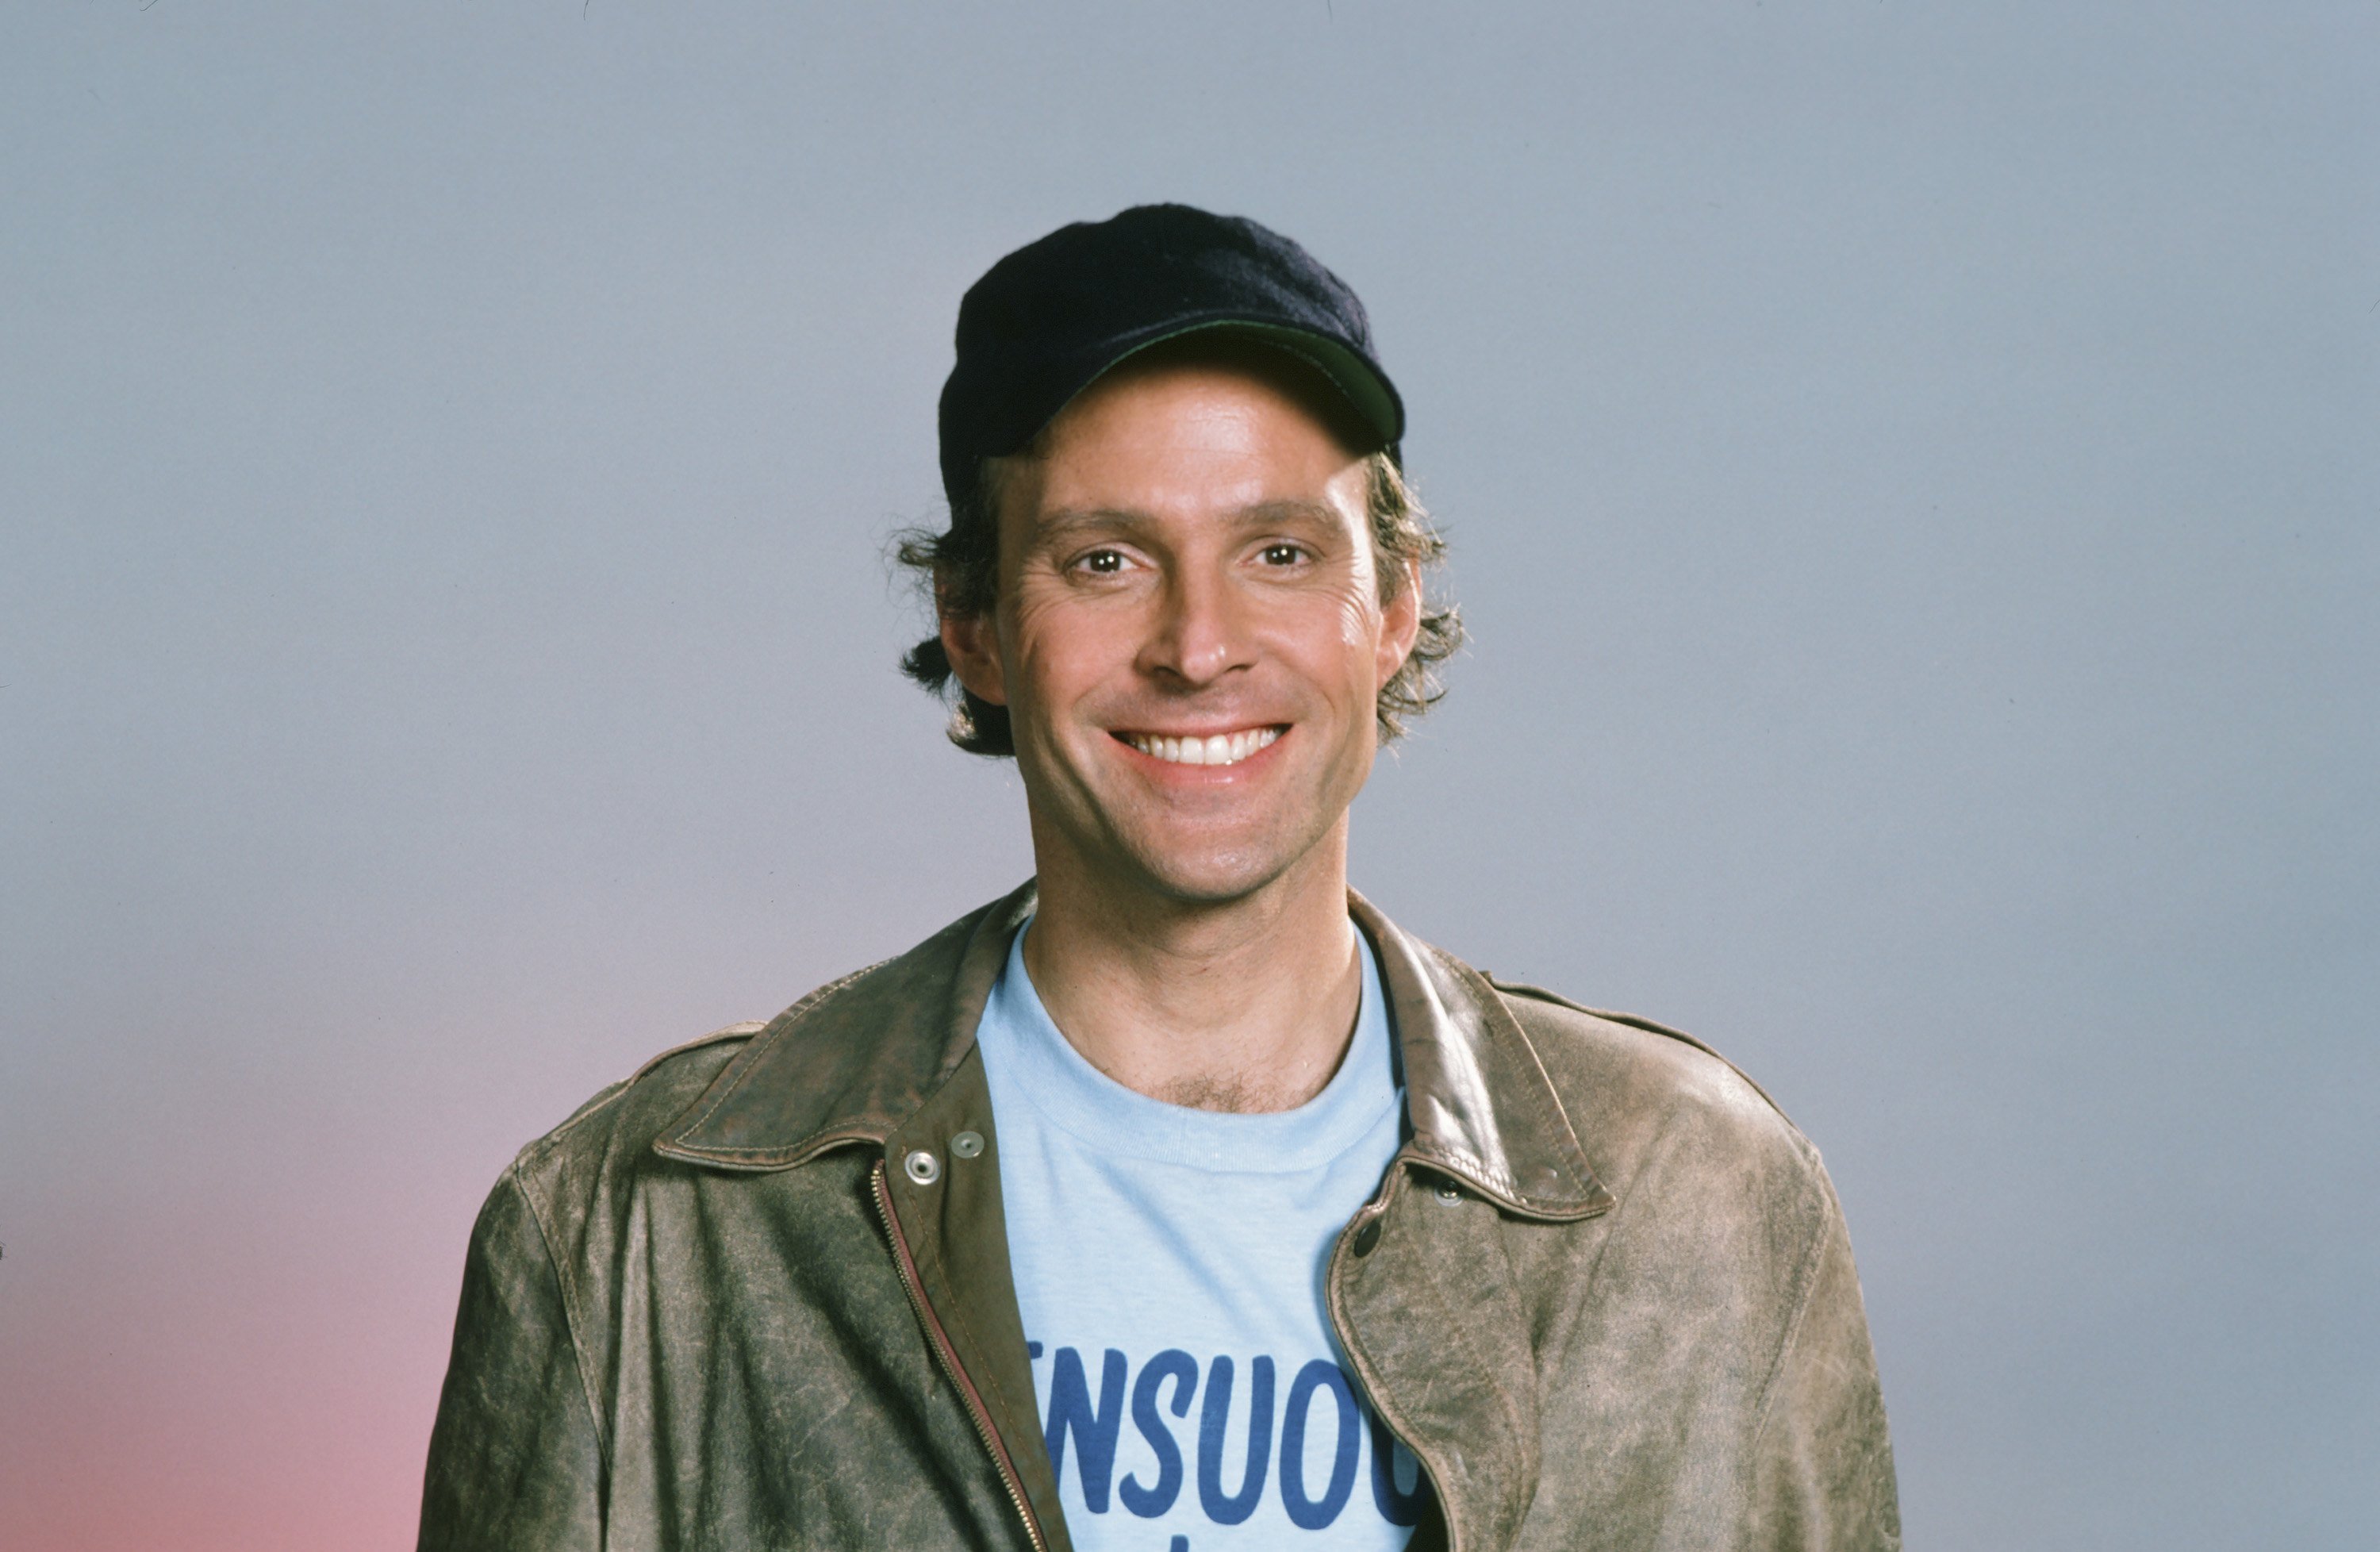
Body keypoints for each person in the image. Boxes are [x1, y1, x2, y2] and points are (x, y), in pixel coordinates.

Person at [419, 203, 1900, 1552]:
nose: (1199, 645)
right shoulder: (642, 1230)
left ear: (1390, 607)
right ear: (980, 624)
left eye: (1278, 551)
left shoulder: (1696, 1205)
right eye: (1105, 562)